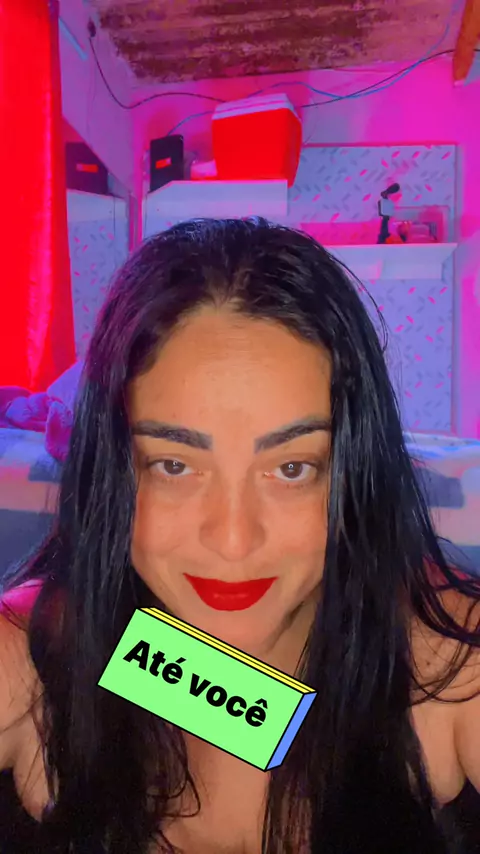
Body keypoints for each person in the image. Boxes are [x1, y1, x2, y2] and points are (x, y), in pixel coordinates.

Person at [0, 217, 479, 854]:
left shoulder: (450, 664)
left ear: (351, 471)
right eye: (174, 466)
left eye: (291, 468)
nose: (232, 542)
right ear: (111, 470)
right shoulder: (29, 661)